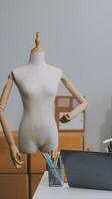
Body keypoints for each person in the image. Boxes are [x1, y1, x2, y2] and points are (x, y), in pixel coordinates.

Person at [0, 32, 87, 168]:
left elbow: (84, 102)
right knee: (27, 175)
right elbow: (0, 110)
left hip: (50, 132)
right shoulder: (17, 73)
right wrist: (11, 144)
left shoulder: (57, 72)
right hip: (27, 132)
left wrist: (71, 114)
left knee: (52, 177)